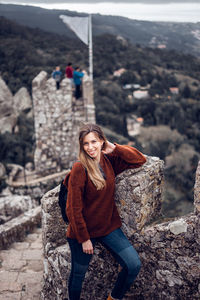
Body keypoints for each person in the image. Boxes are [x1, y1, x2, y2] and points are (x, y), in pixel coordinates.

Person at [64, 123, 147, 300]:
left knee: (133, 265)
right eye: (85, 144)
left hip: (108, 227)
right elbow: (73, 208)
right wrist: (85, 238)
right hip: (83, 231)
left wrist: (113, 147)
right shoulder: (80, 168)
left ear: (102, 141)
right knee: (78, 276)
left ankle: (113, 298)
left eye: (94, 141)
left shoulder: (108, 161)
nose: (90, 147)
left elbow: (140, 159)